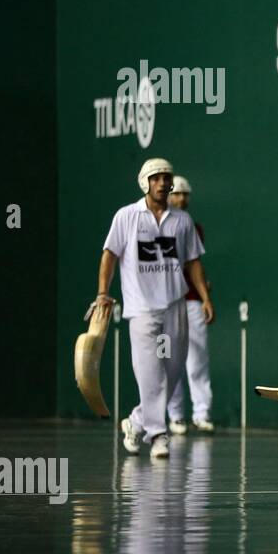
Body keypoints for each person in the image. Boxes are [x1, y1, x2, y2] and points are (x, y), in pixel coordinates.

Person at [95, 158, 213, 460]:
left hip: (176, 306)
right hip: (142, 310)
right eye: (156, 177)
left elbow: (193, 262)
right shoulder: (126, 217)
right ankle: (159, 435)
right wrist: (103, 292)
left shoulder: (183, 222)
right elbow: (110, 255)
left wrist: (204, 298)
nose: (162, 182)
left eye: (166, 177)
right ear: (145, 182)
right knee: (150, 374)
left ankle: (136, 422)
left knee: (172, 373)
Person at [166, 175, 215, 434]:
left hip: (192, 301)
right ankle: (174, 416)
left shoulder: (194, 228)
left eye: (185, 194)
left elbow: (193, 264)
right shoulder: (154, 226)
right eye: (177, 194)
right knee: (170, 360)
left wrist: (205, 296)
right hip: (166, 303)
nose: (181, 199)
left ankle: (201, 414)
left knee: (197, 358)